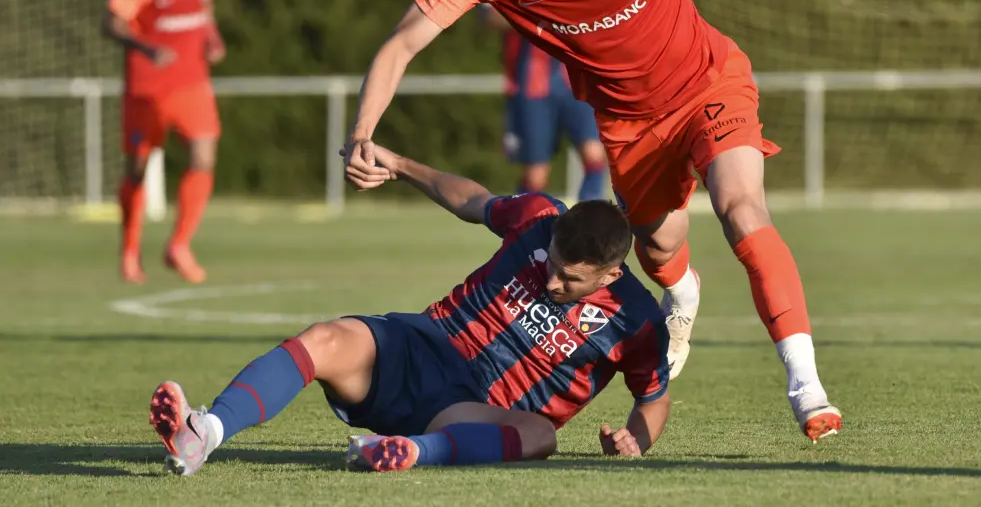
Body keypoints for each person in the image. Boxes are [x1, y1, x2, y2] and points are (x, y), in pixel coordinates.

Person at [341, 0, 841, 441]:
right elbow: (402, 43)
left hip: (711, 83)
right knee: (658, 250)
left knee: (742, 209)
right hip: (630, 127)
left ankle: (807, 387)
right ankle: (682, 290)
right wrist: (361, 133)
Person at [148, 145, 672, 475]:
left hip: (471, 409)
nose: (552, 280)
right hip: (426, 342)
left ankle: (412, 452)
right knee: (326, 337)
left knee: (541, 436)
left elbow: (653, 399)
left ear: (609, 273)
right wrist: (399, 164)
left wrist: (636, 440)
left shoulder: (636, 319)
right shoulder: (539, 217)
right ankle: (204, 433)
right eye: (553, 262)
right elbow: (474, 200)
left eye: (570, 279)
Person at [104, 0, 226, 285]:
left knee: (204, 155)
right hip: (148, 86)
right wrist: (146, 48)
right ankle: (129, 250)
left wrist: (212, 38)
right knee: (137, 170)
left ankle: (179, 245)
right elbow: (112, 21)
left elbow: (203, 8)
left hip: (192, 81)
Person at [481, 4, 607, 200]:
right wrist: (535, 14)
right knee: (536, 175)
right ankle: (525, 222)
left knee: (595, 155)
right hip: (532, 88)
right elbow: (490, 18)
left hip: (574, 83)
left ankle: (589, 218)